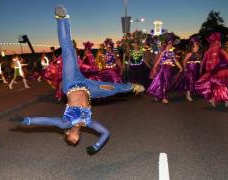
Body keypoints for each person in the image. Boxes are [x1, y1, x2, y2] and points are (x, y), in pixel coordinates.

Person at [10, 5, 144, 155]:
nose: (76, 141)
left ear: (67, 134)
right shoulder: (87, 122)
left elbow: (47, 121)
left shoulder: (65, 123)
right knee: (115, 88)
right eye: (77, 140)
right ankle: (133, 87)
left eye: (72, 141)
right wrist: (96, 147)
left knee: (68, 51)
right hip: (89, 88)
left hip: (71, 84)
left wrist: (25, 120)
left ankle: (62, 19)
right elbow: (105, 132)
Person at [147, 33, 183, 104]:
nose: (172, 45)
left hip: (169, 69)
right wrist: (154, 68)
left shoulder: (172, 53)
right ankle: (163, 97)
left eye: (172, 44)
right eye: (171, 43)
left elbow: (175, 61)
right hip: (163, 69)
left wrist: (180, 67)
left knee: (165, 83)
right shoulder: (163, 52)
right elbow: (158, 61)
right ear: (168, 44)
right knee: (164, 83)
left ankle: (158, 95)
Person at [181, 36, 203, 101]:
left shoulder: (199, 54)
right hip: (190, 68)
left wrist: (201, 68)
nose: (197, 48)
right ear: (192, 47)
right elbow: (184, 61)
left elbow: (201, 62)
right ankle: (188, 95)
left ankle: (197, 92)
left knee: (196, 81)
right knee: (190, 81)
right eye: (195, 46)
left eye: (198, 47)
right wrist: (185, 68)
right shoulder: (189, 53)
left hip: (197, 68)